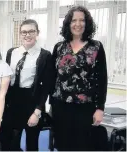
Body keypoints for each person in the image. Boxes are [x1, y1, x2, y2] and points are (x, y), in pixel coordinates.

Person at [51, 5, 108, 151]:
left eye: (82, 20)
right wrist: (51, 104)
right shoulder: (59, 47)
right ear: (68, 24)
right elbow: (52, 77)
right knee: (62, 145)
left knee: (82, 146)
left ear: (87, 23)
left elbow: (101, 79)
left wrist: (100, 108)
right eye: (74, 20)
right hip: (60, 107)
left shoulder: (96, 47)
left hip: (85, 109)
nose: (78, 24)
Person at [2, 19, 53, 151]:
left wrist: (37, 112)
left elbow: (46, 87)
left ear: (37, 33)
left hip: (32, 102)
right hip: (13, 103)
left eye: (31, 31)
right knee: (11, 143)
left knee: (32, 144)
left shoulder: (45, 55)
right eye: (24, 32)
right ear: (20, 34)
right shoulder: (11, 52)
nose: (27, 35)